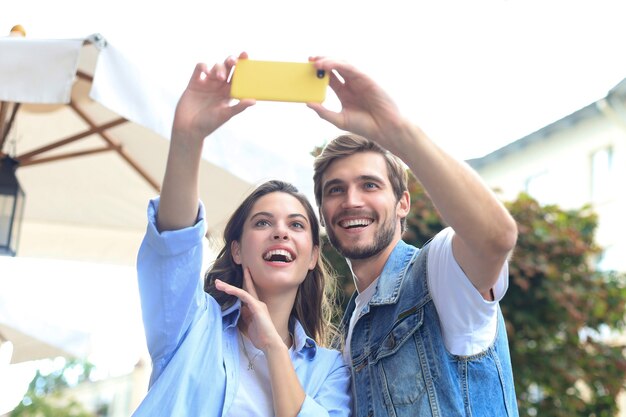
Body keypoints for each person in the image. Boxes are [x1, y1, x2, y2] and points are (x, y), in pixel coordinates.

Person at [132, 54, 351, 417]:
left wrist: (274, 346)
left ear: (313, 256)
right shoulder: (193, 325)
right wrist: (188, 137)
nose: (280, 231)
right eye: (263, 223)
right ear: (236, 250)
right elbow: (173, 244)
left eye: (296, 225)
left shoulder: (331, 370)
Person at [307, 58, 520, 416]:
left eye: (369, 185)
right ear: (324, 214)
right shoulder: (348, 330)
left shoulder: (436, 272)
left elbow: (496, 237)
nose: (352, 201)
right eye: (335, 190)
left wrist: (397, 132)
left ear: (402, 202)